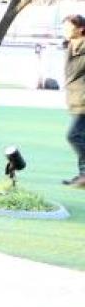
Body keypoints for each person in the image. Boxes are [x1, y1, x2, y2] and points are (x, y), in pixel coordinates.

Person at [61, 14, 85, 188]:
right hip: (76, 100)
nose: (64, 30)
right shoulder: (71, 46)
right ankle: (82, 175)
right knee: (80, 136)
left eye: (68, 27)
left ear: (80, 29)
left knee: (74, 135)